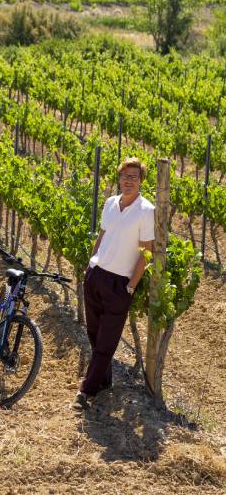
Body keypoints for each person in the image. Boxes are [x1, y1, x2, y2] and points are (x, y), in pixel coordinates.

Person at [74, 157, 154, 410]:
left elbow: (146, 252)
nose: (128, 181)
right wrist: (90, 264)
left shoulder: (146, 210)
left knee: (107, 341)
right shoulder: (110, 203)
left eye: (134, 177)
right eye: (124, 176)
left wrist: (131, 286)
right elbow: (103, 235)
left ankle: (86, 391)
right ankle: (104, 380)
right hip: (96, 275)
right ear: (119, 178)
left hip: (119, 283)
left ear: (141, 181)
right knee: (94, 333)